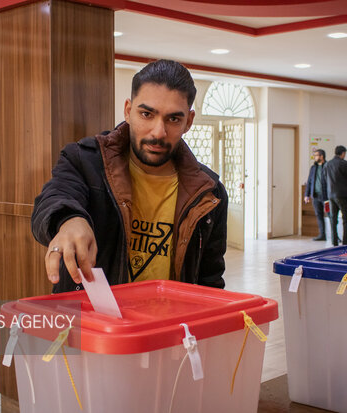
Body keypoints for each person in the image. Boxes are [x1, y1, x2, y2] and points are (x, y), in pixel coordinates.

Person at [31, 59, 229, 293]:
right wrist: (69, 220)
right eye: (147, 114)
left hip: (170, 324)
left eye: (173, 119)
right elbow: (55, 197)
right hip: (94, 323)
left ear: (189, 121)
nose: (158, 132)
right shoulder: (85, 160)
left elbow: (209, 282)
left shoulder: (209, 193)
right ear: (128, 110)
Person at [323, 145, 347, 246]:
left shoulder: (327, 164)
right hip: (343, 194)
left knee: (333, 218)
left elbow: (324, 178)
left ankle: (334, 241)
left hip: (331, 195)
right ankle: (346, 242)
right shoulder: (344, 163)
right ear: (343, 153)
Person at [304, 149, 328, 241]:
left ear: (321, 156)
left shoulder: (327, 166)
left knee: (330, 215)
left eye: (316, 155)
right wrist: (306, 195)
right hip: (316, 196)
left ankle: (335, 235)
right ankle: (322, 235)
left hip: (326, 197)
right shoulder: (313, 168)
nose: (314, 157)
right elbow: (309, 181)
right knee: (319, 215)